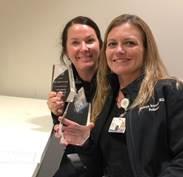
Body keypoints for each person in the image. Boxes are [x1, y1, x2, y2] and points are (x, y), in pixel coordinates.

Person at [58, 14, 183, 177]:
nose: (119, 50)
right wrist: (85, 144)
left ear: (146, 49)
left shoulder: (169, 92)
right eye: (112, 44)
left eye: (129, 43)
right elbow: (97, 165)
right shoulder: (105, 97)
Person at [47, 16, 103, 177]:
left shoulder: (115, 78)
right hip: (79, 154)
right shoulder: (62, 79)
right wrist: (56, 112)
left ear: (100, 44)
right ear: (66, 50)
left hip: (110, 157)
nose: (84, 48)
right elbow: (63, 130)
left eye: (90, 40)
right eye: (75, 42)